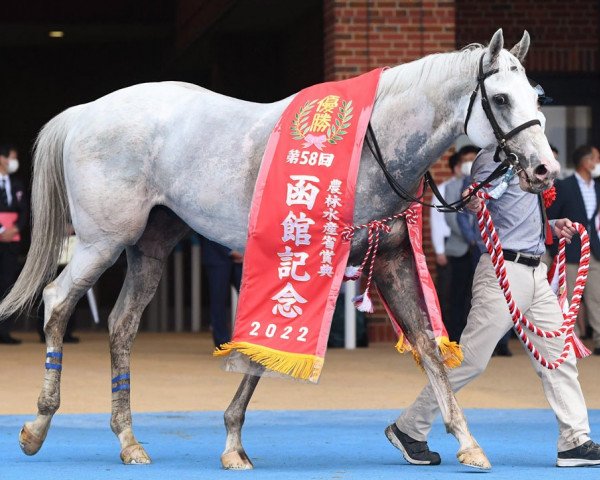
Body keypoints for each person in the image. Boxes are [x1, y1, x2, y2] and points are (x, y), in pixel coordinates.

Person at [548, 145, 600, 355]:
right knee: (569, 298)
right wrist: (555, 249)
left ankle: (598, 337)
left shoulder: (597, 186)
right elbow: (552, 217)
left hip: (594, 250)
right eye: (596, 158)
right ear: (585, 162)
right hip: (570, 251)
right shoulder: (565, 186)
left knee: (596, 296)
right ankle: (572, 341)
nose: (597, 163)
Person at [430, 146, 478, 342]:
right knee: (454, 295)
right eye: (466, 161)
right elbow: (445, 220)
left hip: (480, 249)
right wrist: (472, 237)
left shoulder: (486, 185)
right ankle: (453, 337)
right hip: (458, 248)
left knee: (476, 297)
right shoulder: (448, 188)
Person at [0, 145, 28, 344]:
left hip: (12, 242)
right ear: (1, 158)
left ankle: (4, 331)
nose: (14, 162)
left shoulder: (17, 183)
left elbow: (24, 211)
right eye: (11, 157)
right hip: (2, 235)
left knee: (8, 285)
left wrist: (15, 229)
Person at [200, 236, 243, 348]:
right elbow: (206, 226)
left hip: (242, 257)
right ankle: (222, 343)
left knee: (250, 299)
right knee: (218, 301)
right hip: (216, 256)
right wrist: (230, 251)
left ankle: (249, 339)